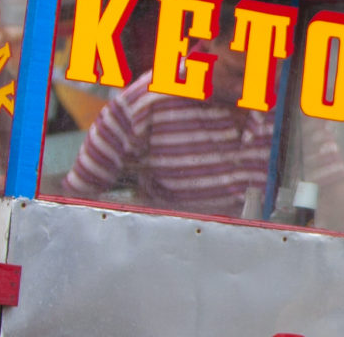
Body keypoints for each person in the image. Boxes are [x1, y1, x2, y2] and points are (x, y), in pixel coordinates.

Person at [60, 28, 277, 217]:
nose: (243, 90)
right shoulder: (147, 100)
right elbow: (75, 198)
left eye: (258, 76)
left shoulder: (284, 94)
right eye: (235, 73)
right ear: (209, 40)